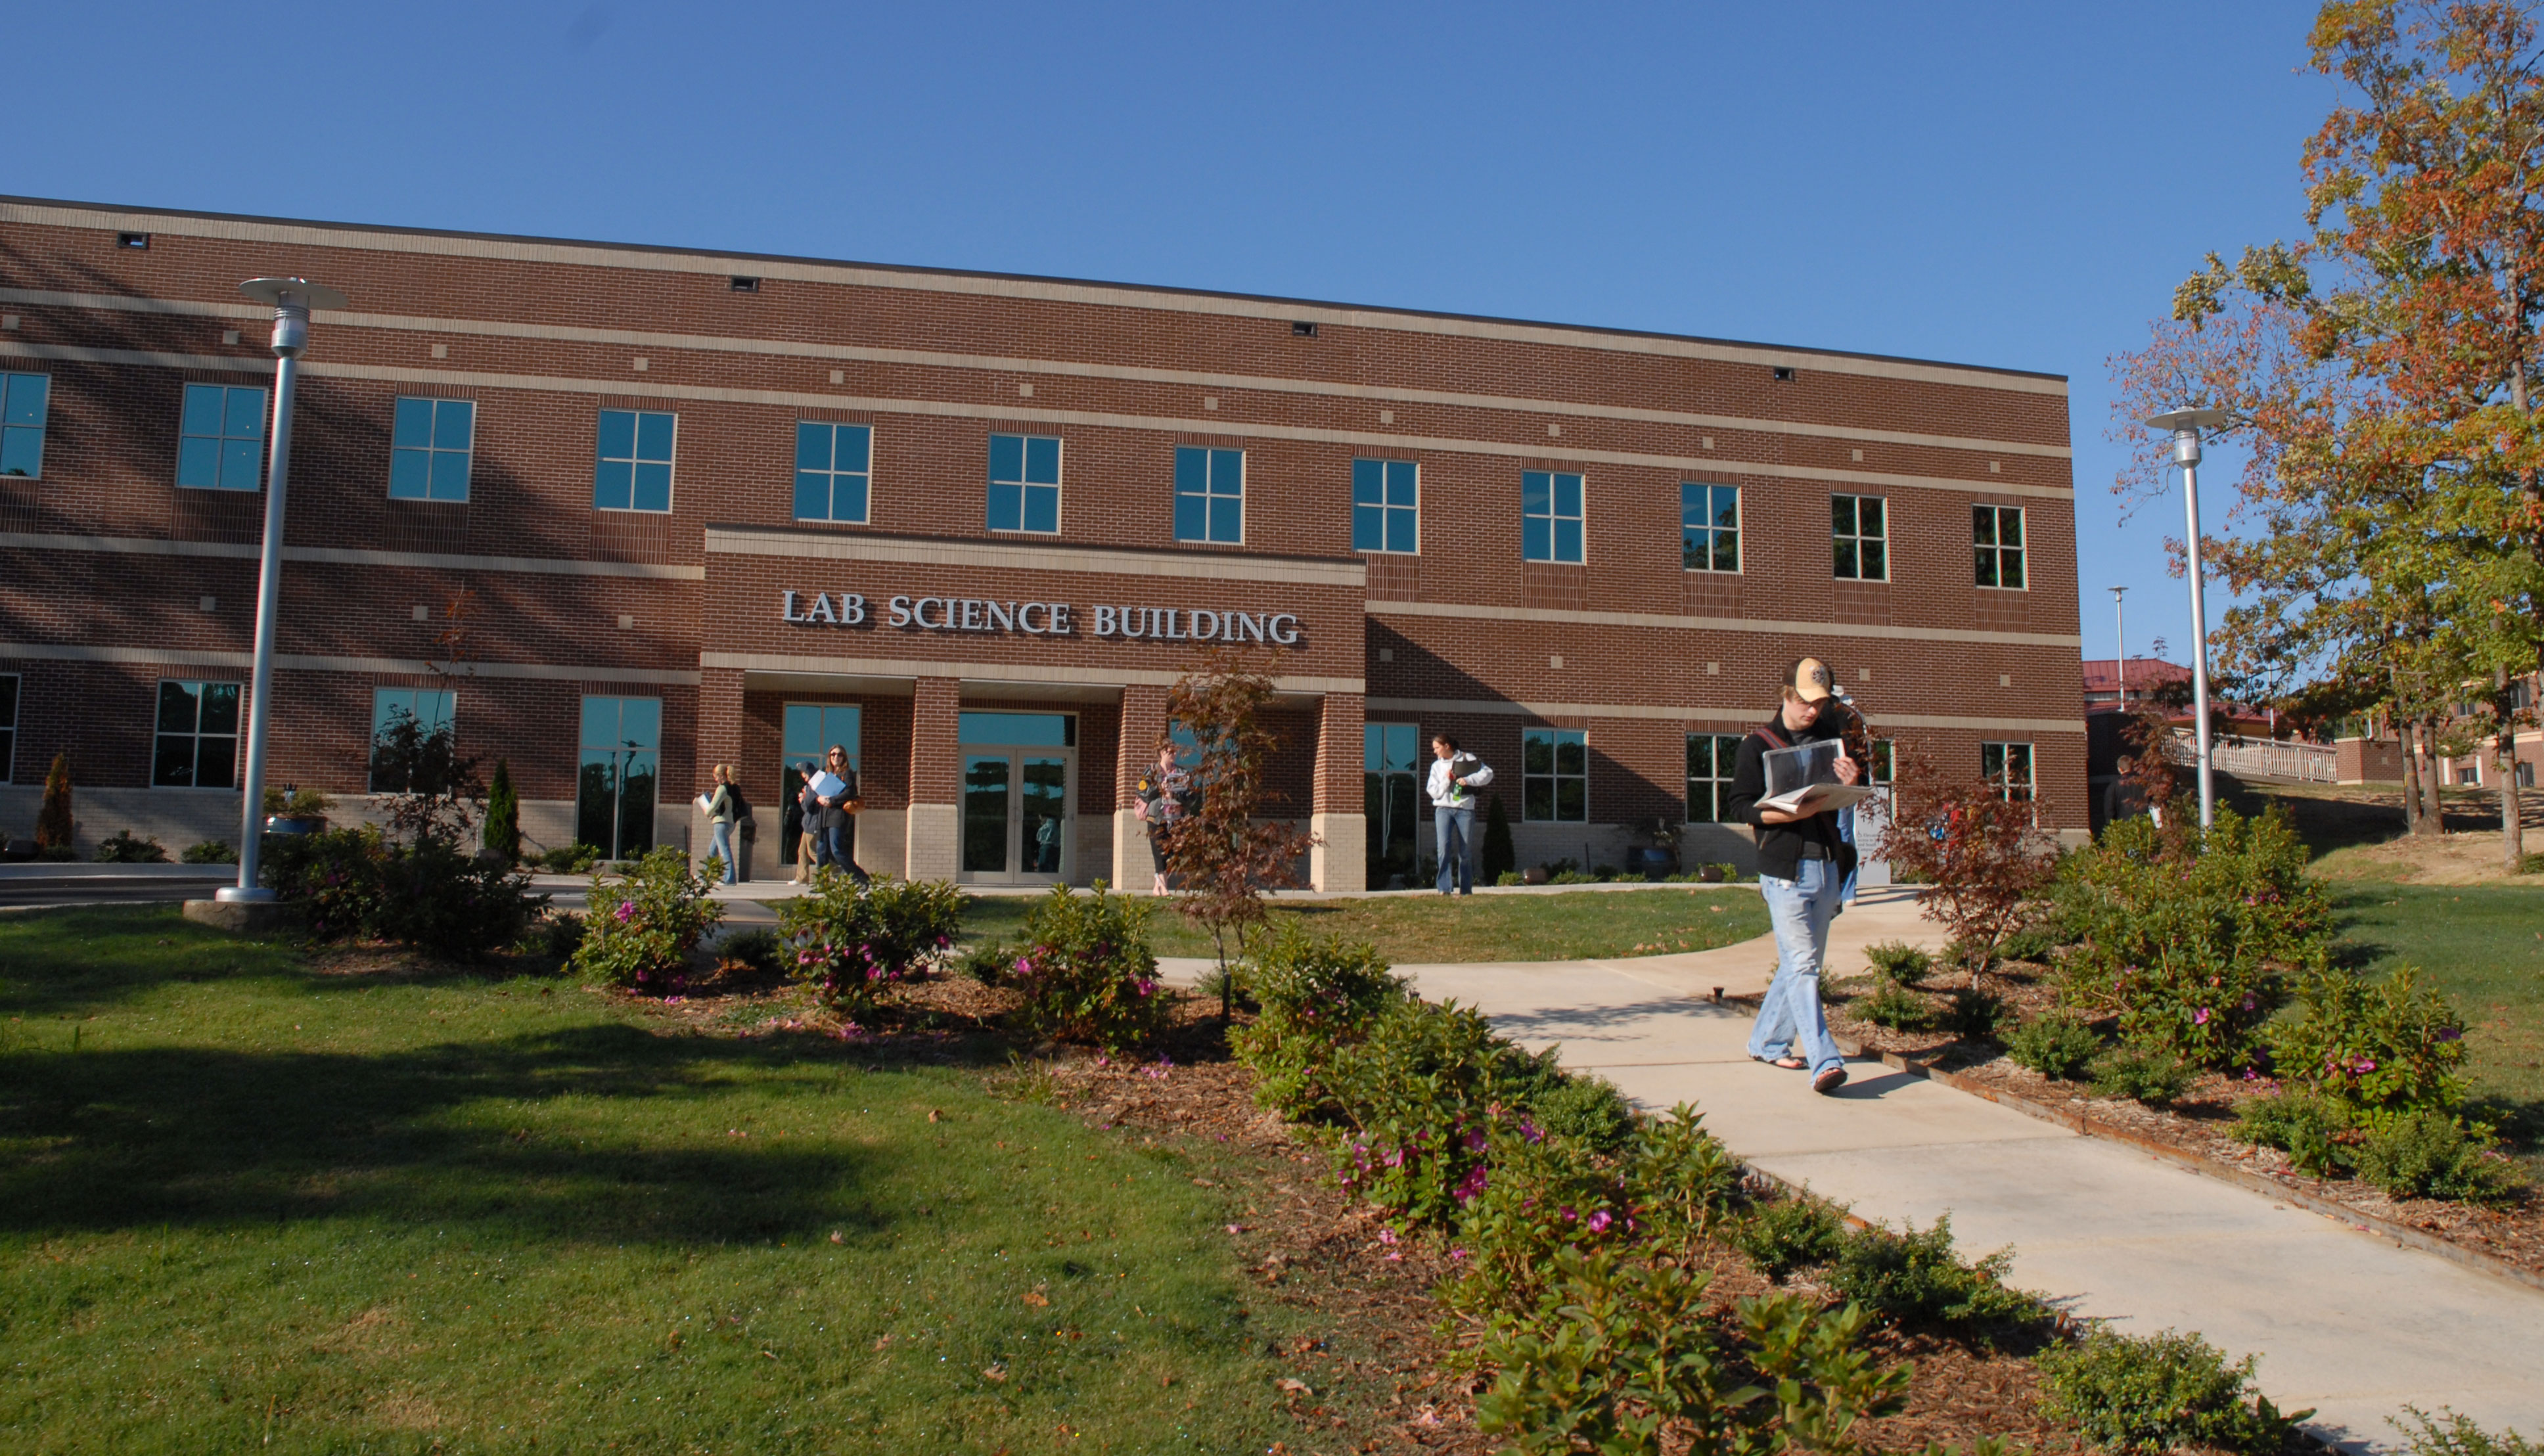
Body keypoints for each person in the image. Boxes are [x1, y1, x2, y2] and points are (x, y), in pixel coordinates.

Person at [1725, 658, 1863, 1096]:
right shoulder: (1756, 746)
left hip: (1824, 865)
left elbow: (1849, 794)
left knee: (1801, 964)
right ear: (1786, 694)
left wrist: (1854, 778)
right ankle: (1825, 1060)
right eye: (1805, 701)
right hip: (1783, 871)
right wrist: (1781, 812)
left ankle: (1767, 1041)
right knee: (1804, 966)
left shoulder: (1829, 739)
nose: (1812, 711)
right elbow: (1739, 806)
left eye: (1820, 703)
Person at [1424, 733, 1493, 896]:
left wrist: (1468, 780)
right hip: (1443, 809)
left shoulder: (1466, 758)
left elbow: (1488, 774)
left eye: (1437, 748)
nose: (1435, 752)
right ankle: (1444, 888)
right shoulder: (1436, 767)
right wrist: (1447, 781)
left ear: (1447, 746)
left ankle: (1466, 890)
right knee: (1444, 848)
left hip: (1465, 810)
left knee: (1466, 851)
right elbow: (1433, 791)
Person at [1135, 741, 1192, 896]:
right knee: (1158, 852)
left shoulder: (1181, 773)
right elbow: (1142, 791)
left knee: (1169, 853)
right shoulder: (1152, 771)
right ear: (1162, 753)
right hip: (1156, 818)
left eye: (1175, 752)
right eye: (1170, 752)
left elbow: (1188, 797)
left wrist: (1175, 793)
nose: (1173, 755)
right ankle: (1164, 887)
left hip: (1174, 818)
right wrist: (1160, 788)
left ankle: (1157, 887)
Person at [811, 744, 869, 886]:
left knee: (837, 849)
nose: (836, 757)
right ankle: (822, 884)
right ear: (829, 757)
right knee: (821, 850)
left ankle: (860, 876)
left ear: (844, 758)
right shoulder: (826, 774)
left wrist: (831, 800)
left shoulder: (847, 773)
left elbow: (850, 793)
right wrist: (819, 799)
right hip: (824, 816)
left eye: (840, 754)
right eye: (833, 755)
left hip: (838, 815)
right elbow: (816, 792)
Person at [702, 763, 739, 886]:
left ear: (720, 776)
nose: (715, 779)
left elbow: (713, 806)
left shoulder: (722, 789)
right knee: (712, 850)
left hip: (721, 823)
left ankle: (729, 879)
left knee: (724, 851)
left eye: (715, 777)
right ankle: (706, 876)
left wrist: (706, 811)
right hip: (730, 822)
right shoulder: (733, 787)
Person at [790, 760, 819, 884]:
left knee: (812, 852)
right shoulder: (811, 786)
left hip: (813, 823)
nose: (803, 776)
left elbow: (808, 806)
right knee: (802, 851)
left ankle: (836, 871)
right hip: (808, 824)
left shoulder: (814, 786)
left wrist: (803, 799)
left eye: (804, 773)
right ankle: (801, 877)